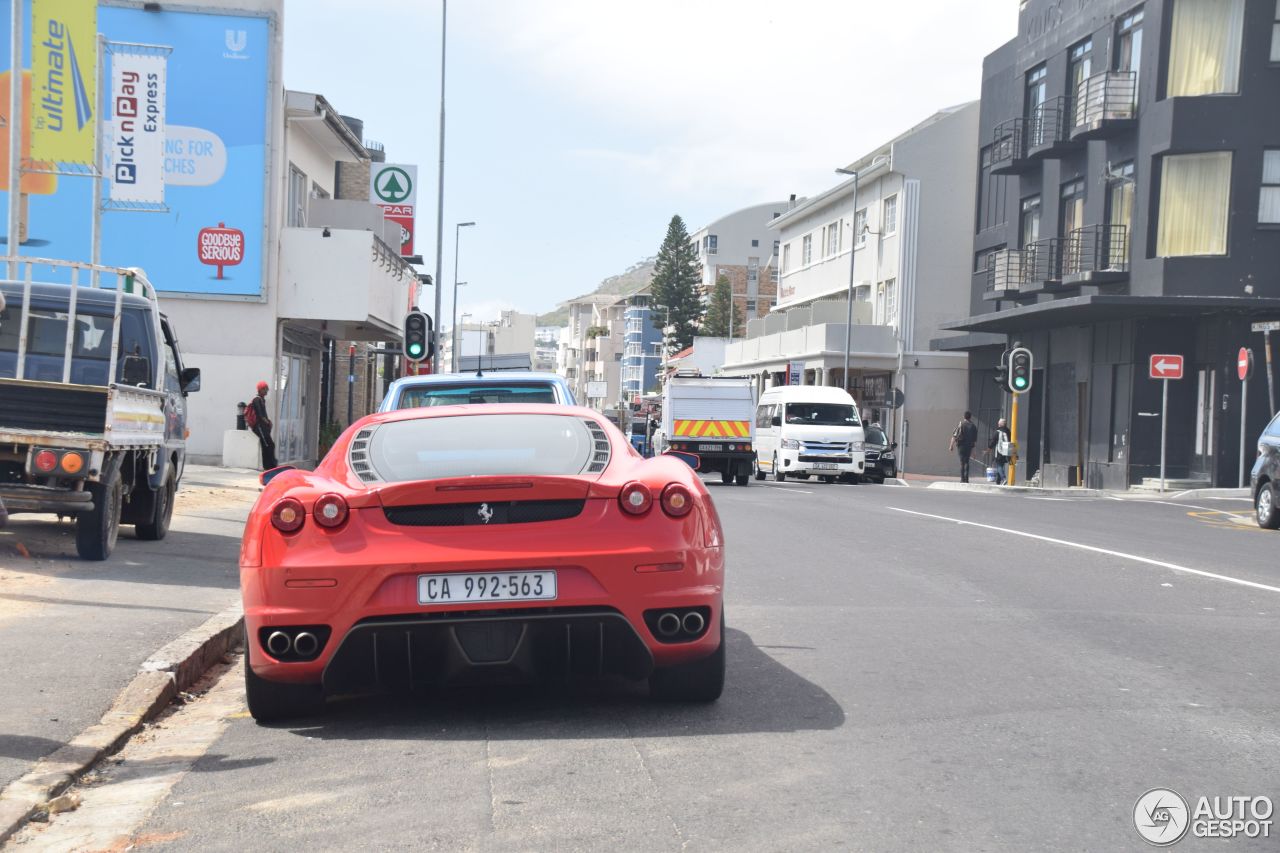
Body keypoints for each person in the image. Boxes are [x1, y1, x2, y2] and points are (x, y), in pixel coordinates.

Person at [249, 381, 278, 470]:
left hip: (262, 426)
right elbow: (260, 414)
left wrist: (268, 422)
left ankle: (269, 465)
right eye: (265, 389)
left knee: (268, 445)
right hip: (258, 426)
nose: (267, 391)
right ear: (260, 389)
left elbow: (263, 415)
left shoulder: (261, 399)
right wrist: (267, 422)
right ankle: (270, 465)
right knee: (268, 444)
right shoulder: (256, 400)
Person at [950, 410, 979, 483]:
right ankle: (966, 479)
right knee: (967, 462)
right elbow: (974, 441)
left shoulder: (961, 424)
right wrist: (974, 452)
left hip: (961, 446)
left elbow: (954, 435)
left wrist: (951, 445)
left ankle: (962, 479)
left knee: (962, 462)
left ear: (964, 416)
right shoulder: (973, 426)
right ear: (970, 417)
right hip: (969, 446)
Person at [988, 417, 1011, 485]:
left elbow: (993, 441)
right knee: (1001, 465)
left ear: (1000, 424)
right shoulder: (1009, 431)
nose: (998, 424)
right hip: (1007, 451)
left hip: (999, 451)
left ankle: (1003, 478)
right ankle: (998, 481)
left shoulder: (997, 432)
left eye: (998, 423)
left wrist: (989, 448)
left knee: (999, 465)